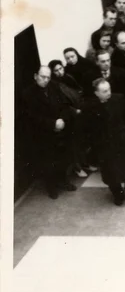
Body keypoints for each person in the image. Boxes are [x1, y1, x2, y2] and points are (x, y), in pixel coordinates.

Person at [23, 66, 76, 198]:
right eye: (42, 77)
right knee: (48, 162)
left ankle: (63, 181)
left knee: (63, 158)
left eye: (48, 77)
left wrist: (62, 119)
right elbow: (32, 116)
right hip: (43, 133)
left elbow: (65, 105)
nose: (45, 80)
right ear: (35, 76)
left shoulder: (54, 87)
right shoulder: (28, 94)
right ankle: (51, 187)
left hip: (61, 129)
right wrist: (53, 123)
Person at [83, 79, 125, 205]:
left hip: (121, 141)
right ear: (96, 93)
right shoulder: (90, 107)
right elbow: (88, 128)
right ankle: (117, 194)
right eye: (104, 91)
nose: (109, 93)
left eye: (109, 89)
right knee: (110, 172)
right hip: (105, 145)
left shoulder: (119, 99)